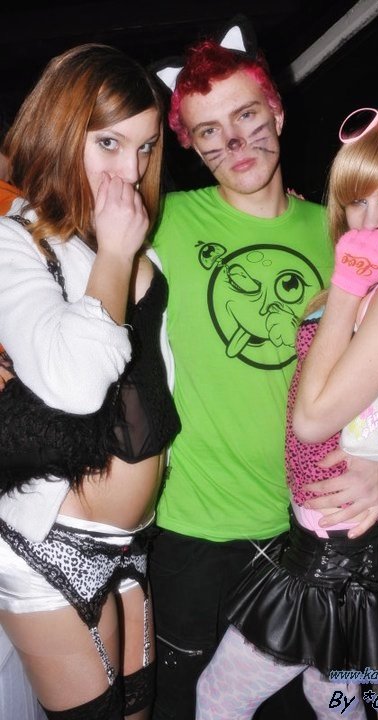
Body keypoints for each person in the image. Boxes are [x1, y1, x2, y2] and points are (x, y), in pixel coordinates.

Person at [149, 26, 378, 720]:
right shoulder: (161, 221)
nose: (234, 142)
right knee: (188, 702)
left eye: (246, 115)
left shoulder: (344, 233)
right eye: (209, 131)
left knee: (304, 704)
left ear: (278, 111)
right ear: (189, 145)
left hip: (316, 527)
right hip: (195, 528)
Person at [195, 105, 378, 719]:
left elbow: (312, 420)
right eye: (357, 201)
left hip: (339, 547)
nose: (371, 220)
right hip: (334, 522)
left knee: (218, 696)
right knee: (330, 693)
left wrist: (344, 286)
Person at [0, 43, 180, 720]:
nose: (129, 170)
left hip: (131, 541)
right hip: (47, 544)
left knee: (138, 708)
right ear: (60, 130)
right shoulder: (16, 240)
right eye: (108, 142)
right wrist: (116, 253)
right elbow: (74, 384)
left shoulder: (128, 241)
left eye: (145, 147)